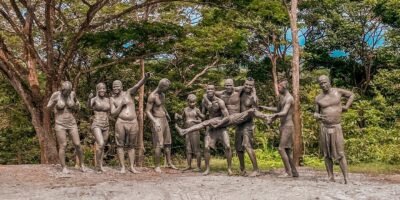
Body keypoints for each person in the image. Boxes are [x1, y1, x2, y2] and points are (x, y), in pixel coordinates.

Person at [314, 75, 354, 184]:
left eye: (325, 82)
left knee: (340, 153)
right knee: (327, 154)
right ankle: (330, 176)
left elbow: (351, 95)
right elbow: (316, 112)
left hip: (336, 126)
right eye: (321, 83)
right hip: (324, 127)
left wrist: (346, 106)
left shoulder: (338, 92)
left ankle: (346, 178)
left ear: (329, 81)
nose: (323, 85)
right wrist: (316, 115)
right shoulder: (318, 98)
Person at [110, 72, 151, 174]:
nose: (115, 87)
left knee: (131, 145)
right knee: (120, 145)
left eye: (117, 86)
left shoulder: (128, 93)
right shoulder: (112, 99)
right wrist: (121, 105)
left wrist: (145, 78)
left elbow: (137, 85)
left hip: (133, 122)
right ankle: (123, 167)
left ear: (121, 86)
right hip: (121, 122)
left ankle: (132, 166)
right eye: (114, 86)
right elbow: (113, 113)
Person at [260, 81, 299, 177]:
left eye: (279, 87)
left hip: (288, 126)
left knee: (281, 148)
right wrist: (264, 107)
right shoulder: (281, 97)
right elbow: (278, 110)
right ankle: (294, 171)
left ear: (285, 87)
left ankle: (288, 172)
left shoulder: (289, 98)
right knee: (287, 150)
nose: (278, 89)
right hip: (283, 126)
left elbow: (284, 112)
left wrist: (273, 116)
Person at [47, 81, 84, 173]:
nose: (67, 93)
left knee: (77, 144)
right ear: (62, 89)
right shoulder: (56, 95)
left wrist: (77, 105)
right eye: (65, 91)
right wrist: (53, 103)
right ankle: (64, 167)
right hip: (60, 123)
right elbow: (47, 108)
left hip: (72, 123)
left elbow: (77, 106)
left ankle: (82, 164)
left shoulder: (72, 94)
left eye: (69, 91)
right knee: (63, 145)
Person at [146, 78, 177, 173]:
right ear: (161, 86)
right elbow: (147, 111)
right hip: (157, 120)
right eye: (166, 87)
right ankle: (157, 165)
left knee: (168, 142)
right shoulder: (152, 96)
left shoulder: (163, 94)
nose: (167, 89)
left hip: (164, 119)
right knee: (159, 144)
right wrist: (155, 121)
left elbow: (162, 105)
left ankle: (169, 162)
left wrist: (166, 113)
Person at [175, 94, 205, 172]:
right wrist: (177, 115)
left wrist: (193, 120)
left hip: (195, 131)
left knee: (196, 149)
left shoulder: (197, 110)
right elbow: (182, 117)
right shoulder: (185, 109)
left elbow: (201, 120)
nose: (192, 104)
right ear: (187, 101)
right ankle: (188, 165)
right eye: (190, 102)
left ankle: (198, 167)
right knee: (188, 149)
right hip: (187, 131)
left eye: (194, 102)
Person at [88, 83, 110, 172]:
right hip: (97, 124)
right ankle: (98, 166)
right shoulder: (94, 99)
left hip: (106, 125)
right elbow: (89, 106)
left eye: (104, 88)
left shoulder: (108, 100)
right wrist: (89, 98)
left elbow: (114, 109)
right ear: (97, 89)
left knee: (102, 146)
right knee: (100, 143)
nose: (102, 90)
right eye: (100, 88)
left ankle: (100, 165)